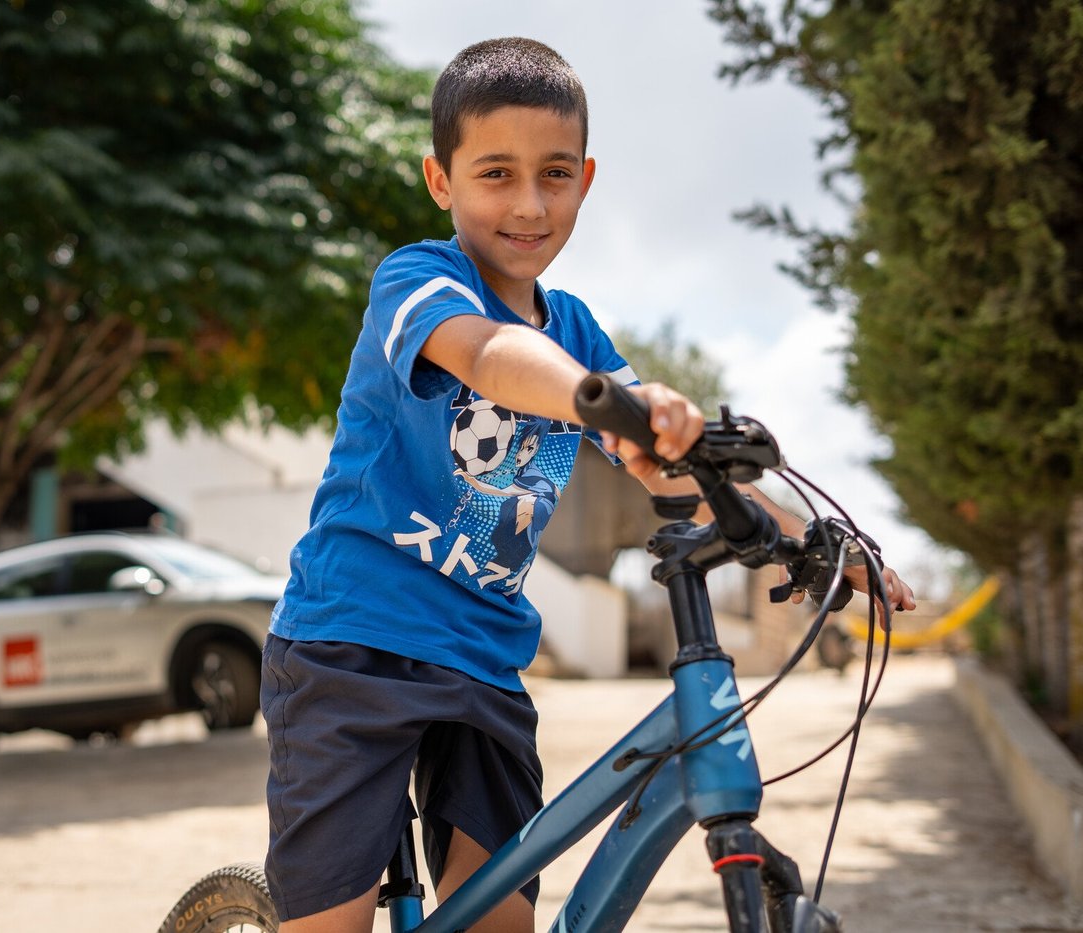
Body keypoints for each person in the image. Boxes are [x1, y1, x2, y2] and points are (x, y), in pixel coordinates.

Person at [261, 37, 916, 933]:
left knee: (500, 919)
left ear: (586, 179)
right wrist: (599, 399)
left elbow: (671, 460)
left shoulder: (576, 328)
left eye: (555, 174)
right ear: (441, 179)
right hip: (353, 644)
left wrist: (808, 543)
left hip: (483, 661)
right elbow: (489, 355)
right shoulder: (417, 279)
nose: (530, 204)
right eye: (496, 173)